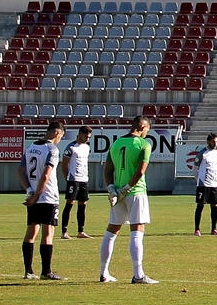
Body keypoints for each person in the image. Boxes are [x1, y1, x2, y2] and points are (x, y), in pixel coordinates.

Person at [99, 115, 157, 284]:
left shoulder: (116, 144)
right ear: (142, 127)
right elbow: (140, 172)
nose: (147, 133)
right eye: (147, 129)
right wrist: (127, 189)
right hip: (135, 191)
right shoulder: (144, 145)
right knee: (137, 230)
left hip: (117, 193)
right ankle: (138, 275)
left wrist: (112, 189)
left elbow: (107, 170)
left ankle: (104, 273)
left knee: (111, 232)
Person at [18, 121, 64, 280]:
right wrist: (37, 195)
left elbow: (20, 171)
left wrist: (30, 192)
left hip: (33, 197)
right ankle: (46, 271)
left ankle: (29, 271)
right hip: (48, 196)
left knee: (31, 232)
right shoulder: (52, 150)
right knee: (48, 233)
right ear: (57, 134)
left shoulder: (30, 148)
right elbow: (46, 175)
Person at [59, 125, 94, 239]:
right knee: (70, 204)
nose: (87, 139)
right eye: (85, 137)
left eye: (88, 137)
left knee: (83, 204)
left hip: (84, 179)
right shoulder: (71, 148)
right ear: (79, 135)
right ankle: (64, 232)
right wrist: (68, 179)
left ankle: (81, 231)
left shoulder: (87, 147)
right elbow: (64, 165)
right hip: (73, 180)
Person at [194, 133, 217, 236]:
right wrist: (199, 180)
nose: (215, 143)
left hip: (214, 184)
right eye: (213, 142)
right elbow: (194, 169)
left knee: (215, 206)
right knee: (200, 205)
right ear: (208, 142)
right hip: (203, 184)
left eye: (216, 142)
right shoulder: (202, 154)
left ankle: (214, 229)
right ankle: (197, 229)